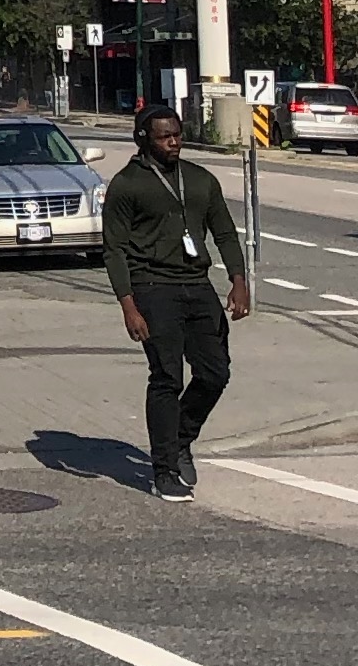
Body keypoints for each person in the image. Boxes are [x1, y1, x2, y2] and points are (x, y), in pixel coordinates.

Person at [103, 105, 251, 502]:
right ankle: (164, 470)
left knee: (215, 372)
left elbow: (224, 232)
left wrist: (238, 281)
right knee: (167, 377)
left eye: (177, 135)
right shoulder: (127, 185)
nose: (174, 142)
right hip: (152, 286)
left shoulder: (200, 180)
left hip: (196, 285)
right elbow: (114, 250)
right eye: (164, 137)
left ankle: (181, 438)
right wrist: (128, 306)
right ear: (143, 139)